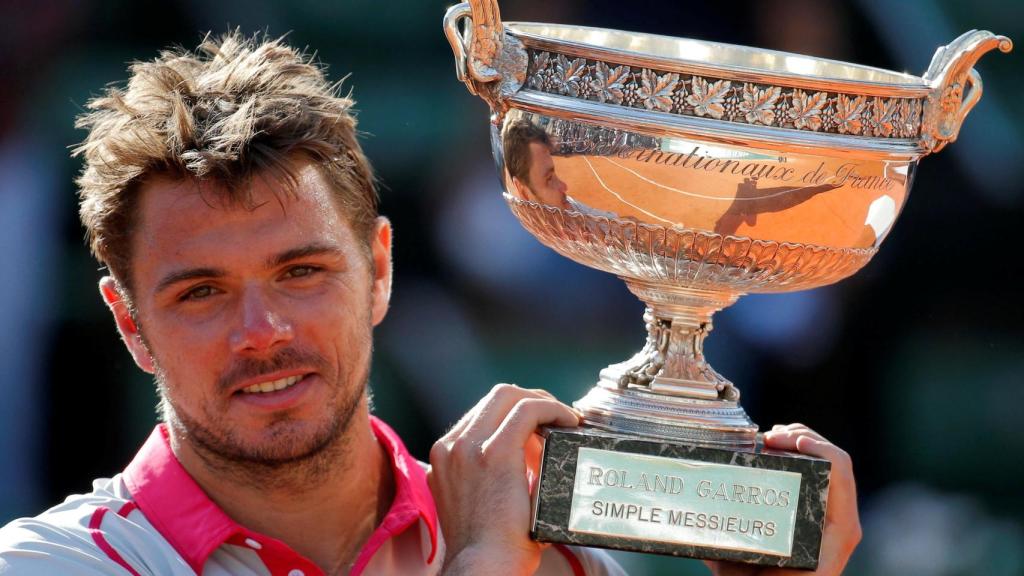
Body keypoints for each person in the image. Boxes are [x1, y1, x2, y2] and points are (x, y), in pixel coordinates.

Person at [0, 33, 860, 575]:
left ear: (379, 270)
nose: (262, 331)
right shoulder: (53, 563)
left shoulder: (561, 556)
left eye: (302, 272)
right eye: (201, 292)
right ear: (129, 323)